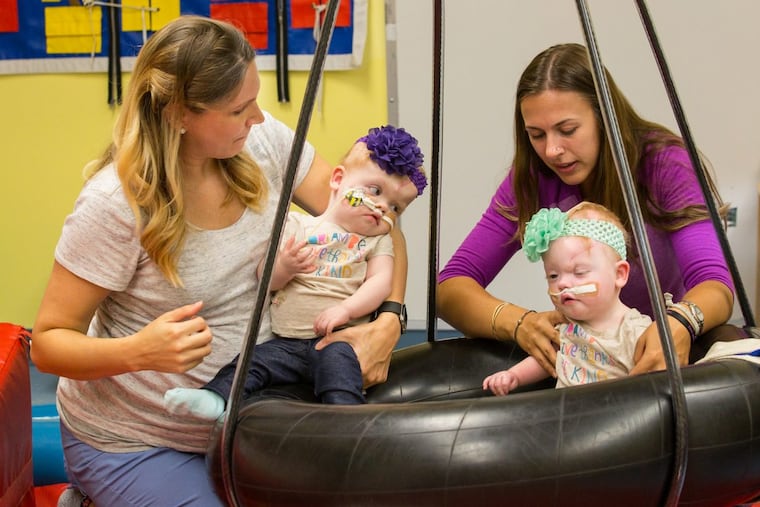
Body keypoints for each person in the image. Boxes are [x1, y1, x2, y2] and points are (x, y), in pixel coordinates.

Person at [30, 16, 409, 506]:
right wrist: (140, 351)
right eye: (238, 109)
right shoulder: (115, 205)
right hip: (138, 438)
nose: (257, 117)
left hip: (252, 415)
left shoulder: (263, 140)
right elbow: (48, 344)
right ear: (178, 114)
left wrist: (390, 318)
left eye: (255, 100)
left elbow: (380, 223)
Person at [437, 42, 734, 379]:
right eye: (536, 135)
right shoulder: (534, 177)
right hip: (591, 359)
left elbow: (716, 284)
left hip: (672, 350)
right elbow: (450, 288)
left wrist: (680, 321)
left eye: (568, 130)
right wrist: (519, 322)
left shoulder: (663, 162)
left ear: (605, 117)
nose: (552, 150)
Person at [164, 125, 426, 416]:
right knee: (251, 362)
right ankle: (215, 399)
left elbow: (380, 283)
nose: (381, 207)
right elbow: (266, 278)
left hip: (337, 340)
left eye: (395, 208)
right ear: (338, 179)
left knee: (340, 373)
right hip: (285, 342)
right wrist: (284, 267)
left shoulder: (376, 242)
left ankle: (348, 422)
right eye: (375, 191)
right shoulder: (297, 226)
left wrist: (347, 311)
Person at [483, 202, 652, 395]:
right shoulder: (566, 327)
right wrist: (514, 376)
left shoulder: (635, 331)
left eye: (579, 272)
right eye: (553, 276)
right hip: (566, 418)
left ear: (619, 274)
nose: (562, 284)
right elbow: (546, 358)